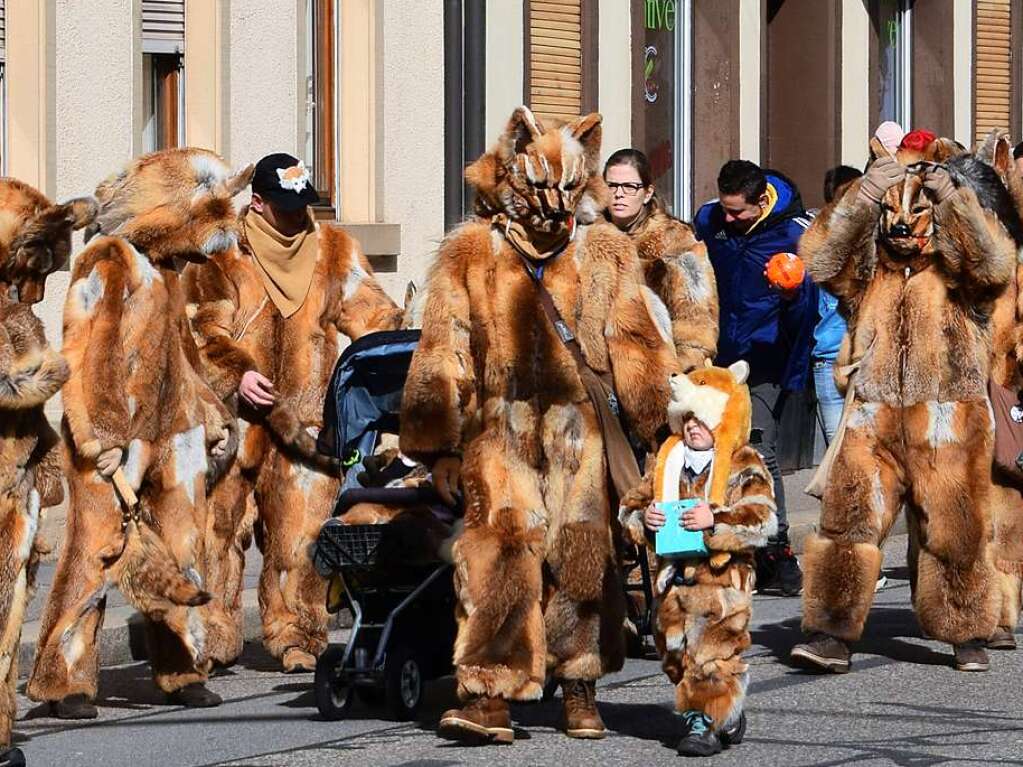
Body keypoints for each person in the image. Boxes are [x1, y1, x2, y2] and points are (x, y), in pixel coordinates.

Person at [401, 106, 678, 745]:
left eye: (566, 192)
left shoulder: (605, 251)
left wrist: (660, 424)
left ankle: (580, 688)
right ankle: (488, 694)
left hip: (579, 428)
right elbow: (442, 349)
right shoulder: (470, 253)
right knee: (499, 551)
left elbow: (633, 339)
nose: (552, 208)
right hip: (499, 429)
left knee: (582, 554)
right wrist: (438, 448)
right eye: (539, 192)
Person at [28, 149, 250, 717]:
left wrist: (212, 415)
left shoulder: (171, 273)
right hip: (113, 435)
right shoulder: (108, 261)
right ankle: (63, 676)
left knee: (182, 548)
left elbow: (182, 355)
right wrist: (97, 436)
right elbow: (84, 352)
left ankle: (180, 667)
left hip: (172, 431)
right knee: (96, 551)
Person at [792, 134, 1009, 674]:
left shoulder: (959, 277)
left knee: (956, 531)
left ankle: (967, 632)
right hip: (874, 419)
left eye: (917, 214)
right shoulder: (870, 275)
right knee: (848, 524)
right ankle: (832, 634)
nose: (904, 227)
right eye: (894, 215)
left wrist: (955, 197)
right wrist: (863, 196)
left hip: (948, 420)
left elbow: (993, 266)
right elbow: (820, 260)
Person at [184, 153, 404, 673]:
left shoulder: (334, 250)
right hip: (233, 420)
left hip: (307, 422)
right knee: (218, 529)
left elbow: (373, 316)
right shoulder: (222, 255)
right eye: (284, 206)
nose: (298, 215)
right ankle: (211, 637)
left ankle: (299, 635)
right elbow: (199, 330)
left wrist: (397, 356)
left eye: (303, 203)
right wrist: (234, 373)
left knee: (302, 533)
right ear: (256, 203)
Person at [620, 361, 776, 757]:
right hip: (673, 579)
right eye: (687, 419)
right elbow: (631, 508)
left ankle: (703, 722)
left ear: (721, 421)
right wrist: (645, 517)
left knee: (712, 654)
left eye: (702, 420)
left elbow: (762, 518)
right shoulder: (666, 461)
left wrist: (717, 518)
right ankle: (726, 710)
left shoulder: (744, 462)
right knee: (676, 656)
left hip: (723, 580)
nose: (693, 427)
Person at [0, 180, 94, 767]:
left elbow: (32, 416)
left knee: (9, 609)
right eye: (33, 268)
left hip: (15, 489)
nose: (37, 286)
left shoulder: (15, 312)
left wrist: (49, 460)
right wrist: (45, 374)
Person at [693, 160, 817, 596]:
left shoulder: (794, 235)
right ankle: (715, 542)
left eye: (738, 212)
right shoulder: (710, 220)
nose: (728, 218)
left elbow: (807, 315)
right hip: (714, 354)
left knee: (758, 446)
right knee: (703, 443)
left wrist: (793, 293)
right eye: (724, 209)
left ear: (761, 201)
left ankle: (776, 550)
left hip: (765, 359)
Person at [603, 148, 718, 371]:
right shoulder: (588, 237)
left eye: (629, 187)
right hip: (601, 375)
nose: (618, 194)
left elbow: (696, 325)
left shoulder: (675, 242)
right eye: (612, 185)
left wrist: (675, 373)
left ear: (647, 193)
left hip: (654, 372)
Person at [813, 166, 862, 442]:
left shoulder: (878, 239)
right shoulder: (816, 240)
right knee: (836, 452)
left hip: (865, 358)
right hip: (828, 356)